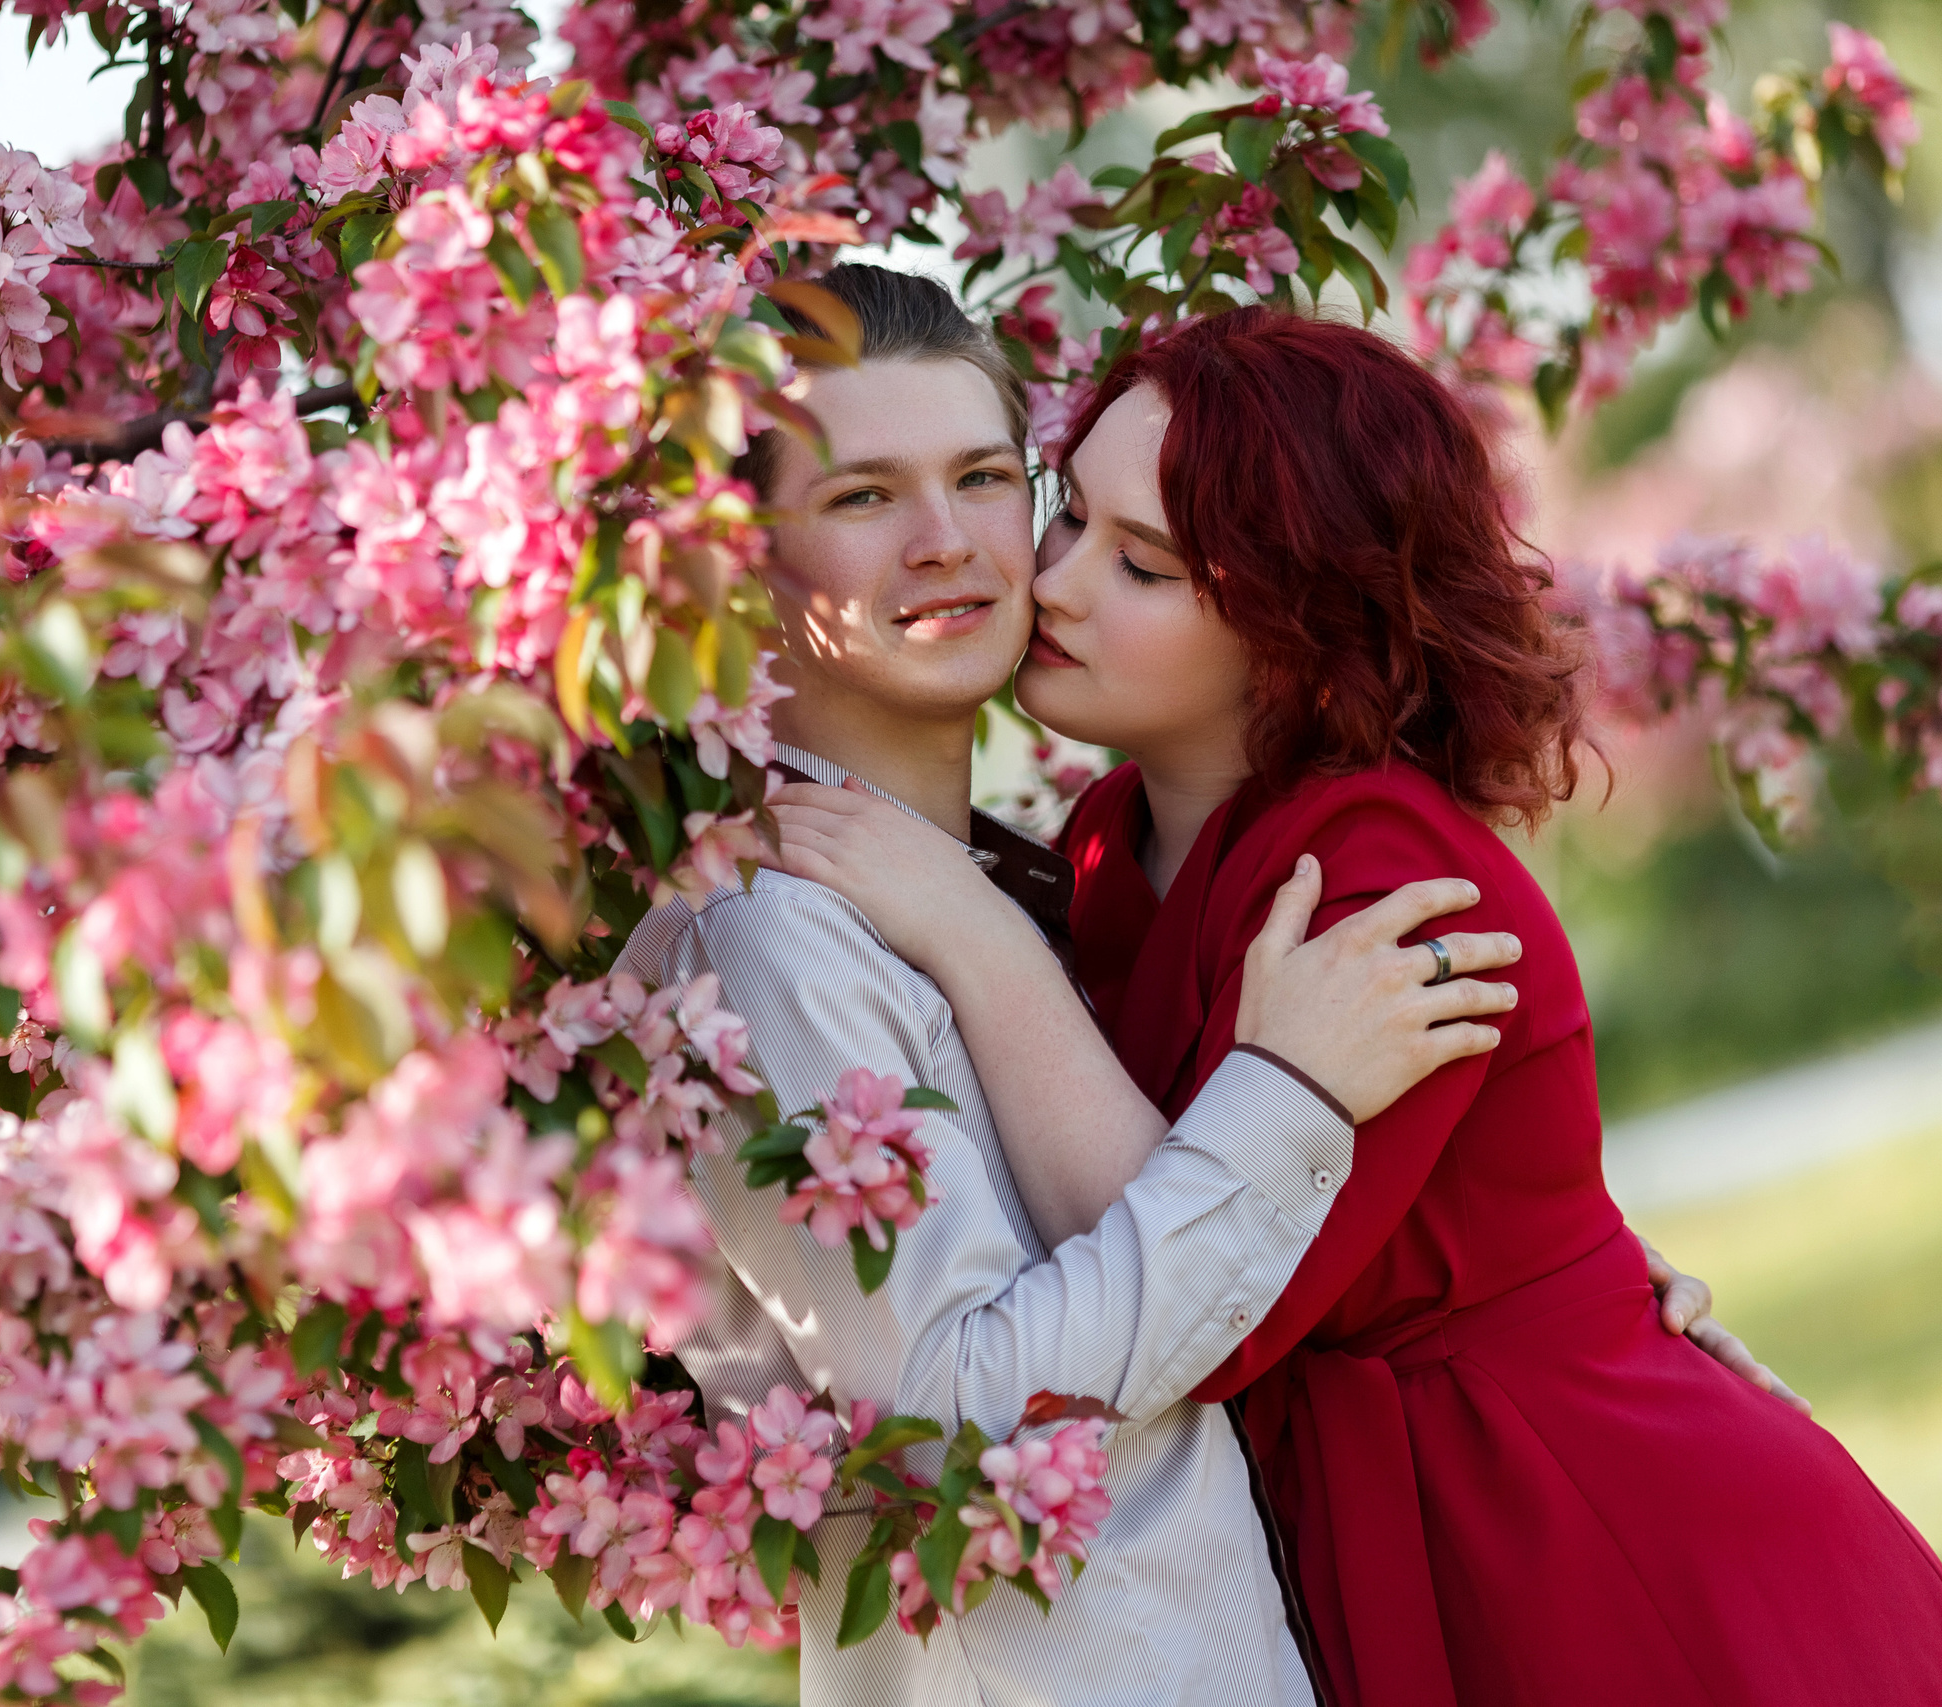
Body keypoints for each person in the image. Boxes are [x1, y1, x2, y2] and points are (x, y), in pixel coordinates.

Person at [766, 302, 1942, 1707]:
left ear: (1293, 618)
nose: (1058, 585)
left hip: (1577, 1525)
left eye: (1141, 565)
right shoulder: (1102, 842)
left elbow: (1219, 1296)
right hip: (1374, 1518)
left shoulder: (1383, 874)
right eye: (1068, 519)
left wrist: (976, 937)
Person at [629, 262, 1543, 1706]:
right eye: (863, 497)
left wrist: (1554, 1289)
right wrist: (1285, 1100)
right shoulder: (768, 940)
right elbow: (952, 1423)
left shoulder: (996, 892)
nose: (953, 544)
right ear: (734, 564)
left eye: (987, 477)